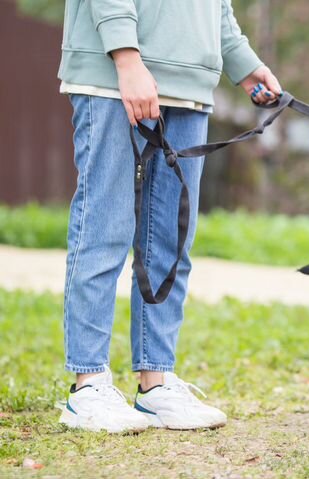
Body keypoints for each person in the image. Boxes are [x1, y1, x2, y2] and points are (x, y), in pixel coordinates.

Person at [57, 0, 282, 433]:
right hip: (113, 78)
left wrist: (243, 63)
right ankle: (88, 386)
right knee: (104, 227)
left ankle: (155, 383)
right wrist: (127, 58)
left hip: (190, 85)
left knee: (171, 240)